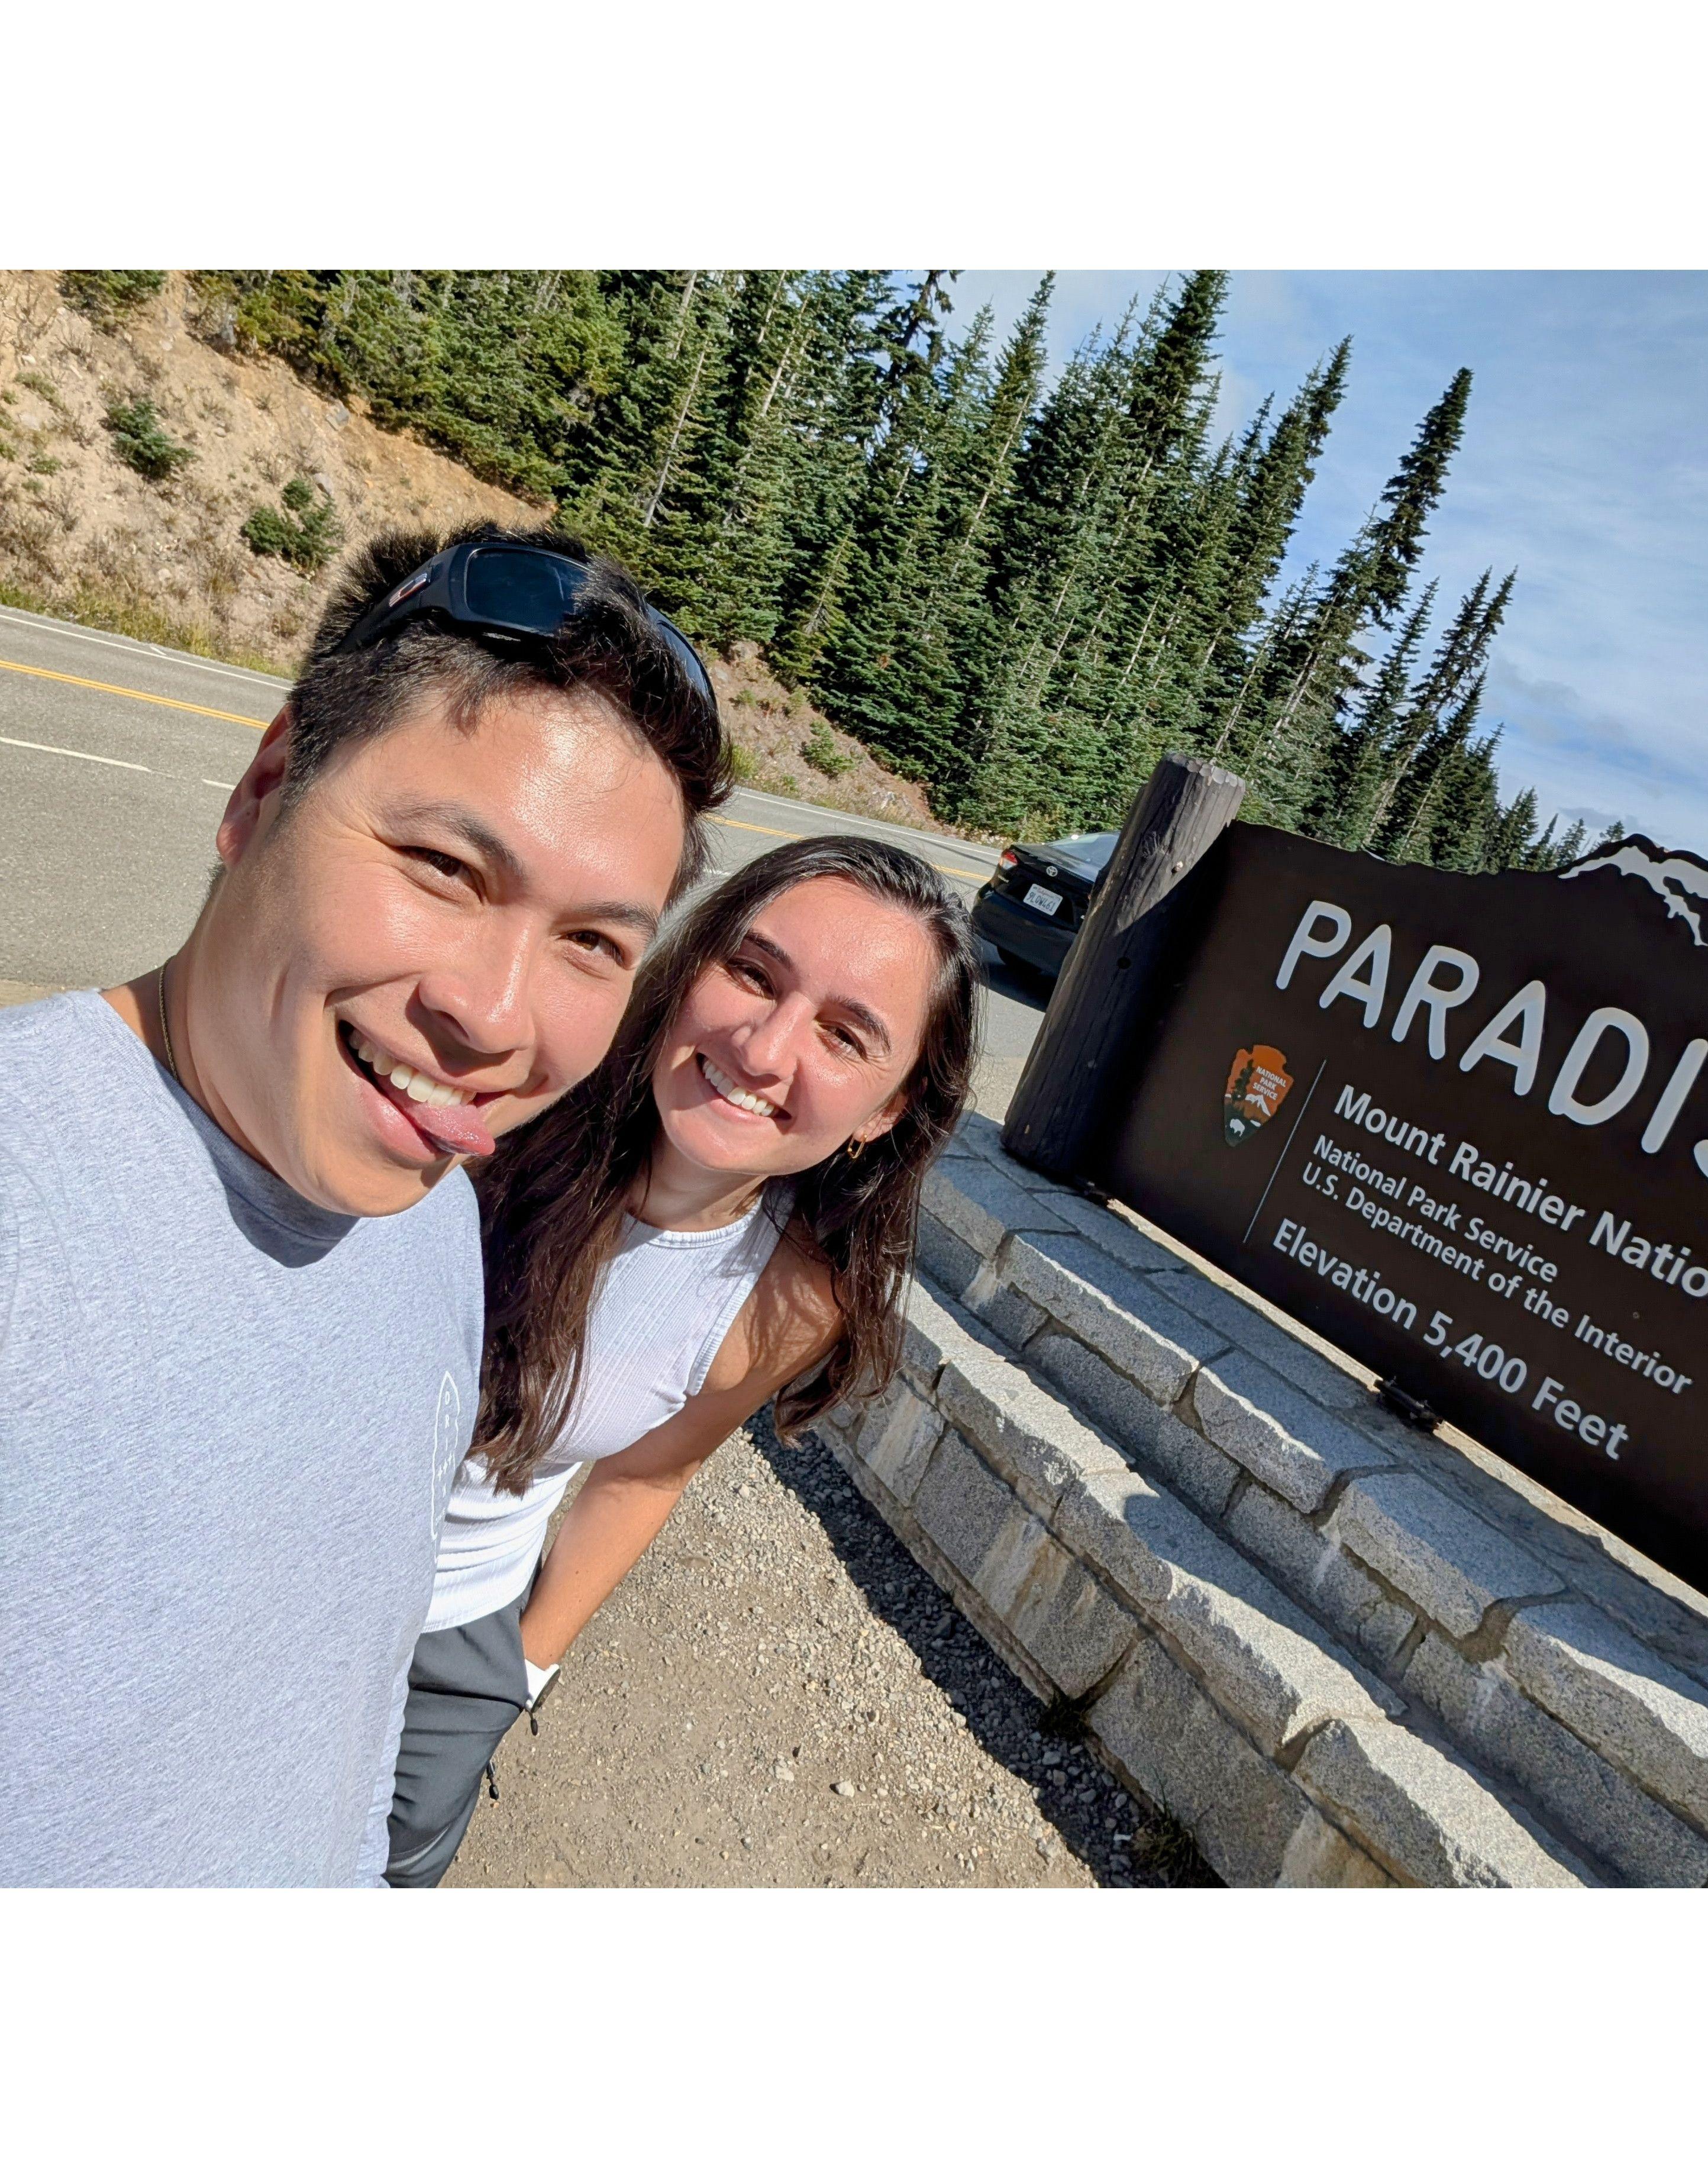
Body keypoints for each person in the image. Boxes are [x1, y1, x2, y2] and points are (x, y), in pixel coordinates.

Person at [0, 525, 728, 1886]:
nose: (495, 1018)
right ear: (263, 787)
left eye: (591, 943)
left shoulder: (432, 1210)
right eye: (446, 868)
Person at [385, 835, 979, 1885]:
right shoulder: (499, 1092)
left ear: (887, 1112)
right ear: (690, 960)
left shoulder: (790, 1297)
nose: (765, 1047)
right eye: (753, 973)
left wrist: (520, 1670)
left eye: (844, 1036)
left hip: (455, 1634)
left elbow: (648, 1473)